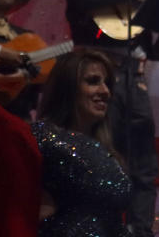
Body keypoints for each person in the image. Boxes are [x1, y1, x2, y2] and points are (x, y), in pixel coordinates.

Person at [55, 0, 159, 237]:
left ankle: (140, 230)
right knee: (104, 152)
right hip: (100, 67)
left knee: (143, 163)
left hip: (133, 72)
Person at [32, 49, 131, 237]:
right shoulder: (42, 137)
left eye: (107, 84)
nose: (105, 92)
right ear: (67, 86)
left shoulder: (108, 152)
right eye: (93, 81)